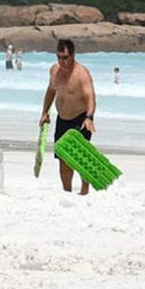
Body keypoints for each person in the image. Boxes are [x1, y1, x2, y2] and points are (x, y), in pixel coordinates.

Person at [39, 39, 97, 195]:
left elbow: (90, 97)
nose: (61, 61)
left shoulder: (81, 74)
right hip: (62, 119)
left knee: (81, 158)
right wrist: (45, 112)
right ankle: (67, 191)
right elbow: (51, 91)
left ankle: (84, 191)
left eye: (65, 57)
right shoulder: (54, 71)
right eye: (58, 57)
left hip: (81, 119)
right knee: (63, 158)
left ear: (72, 55)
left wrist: (89, 117)